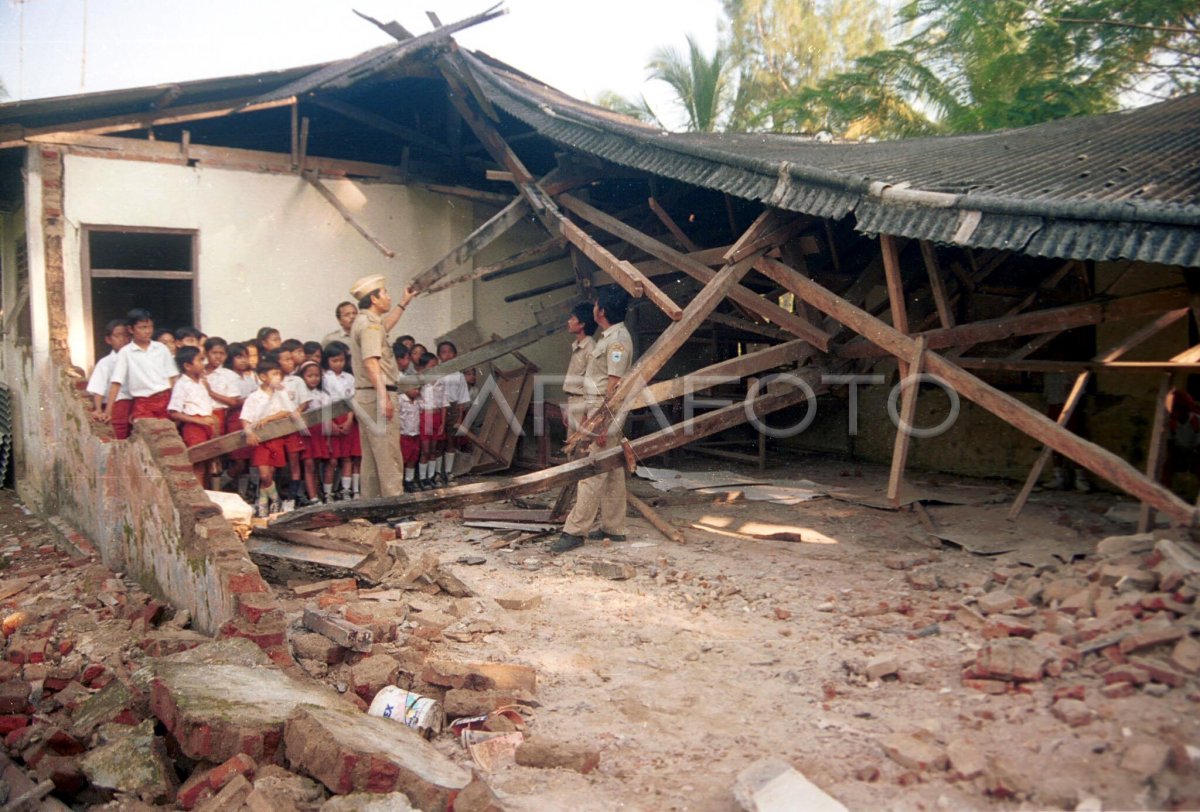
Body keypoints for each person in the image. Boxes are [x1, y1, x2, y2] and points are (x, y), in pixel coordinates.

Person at [552, 287, 634, 553]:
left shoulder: (618, 340)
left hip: (606, 412)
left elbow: (614, 386)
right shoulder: (608, 337)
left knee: (591, 469)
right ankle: (614, 527)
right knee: (611, 470)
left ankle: (575, 531)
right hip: (597, 409)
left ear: (602, 312)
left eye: (597, 305)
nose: (594, 308)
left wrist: (602, 422)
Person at [347, 274, 417, 498]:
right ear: (374, 299)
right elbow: (371, 362)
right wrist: (384, 398)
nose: (388, 296)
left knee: (373, 455)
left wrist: (403, 303)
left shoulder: (367, 322)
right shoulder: (370, 326)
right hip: (378, 394)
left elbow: (385, 326)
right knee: (388, 454)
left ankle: (373, 505)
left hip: (366, 396)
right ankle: (395, 507)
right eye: (385, 293)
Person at [240, 357, 300, 518]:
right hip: (260, 440)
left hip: (276, 438)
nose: (278, 377)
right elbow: (245, 418)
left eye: (279, 374)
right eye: (274, 374)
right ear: (263, 377)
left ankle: (263, 504)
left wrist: (268, 419)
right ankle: (275, 499)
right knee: (264, 474)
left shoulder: (281, 394)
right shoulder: (254, 397)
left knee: (271, 473)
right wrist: (249, 433)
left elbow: (286, 411)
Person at [106, 308, 178, 425]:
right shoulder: (126, 352)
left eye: (150, 327)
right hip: (143, 403)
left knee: (167, 435)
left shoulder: (161, 348)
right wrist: (108, 411)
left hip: (165, 398)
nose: (148, 331)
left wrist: (175, 403)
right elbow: (116, 382)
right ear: (131, 329)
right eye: (142, 328)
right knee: (147, 433)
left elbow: (172, 378)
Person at [167, 346, 220, 488]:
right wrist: (199, 420)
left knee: (210, 465)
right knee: (198, 464)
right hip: (194, 428)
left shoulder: (202, 382)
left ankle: (209, 496)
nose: (204, 363)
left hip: (208, 425)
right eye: (200, 360)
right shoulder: (182, 384)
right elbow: (174, 412)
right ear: (187, 366)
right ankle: (200, 498)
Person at [322, 341, 360, 500]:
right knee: (332, 460)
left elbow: (351, 401)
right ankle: (328, 493)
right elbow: (324, 402)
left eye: (341, 360)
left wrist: (350, 420)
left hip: (347, 418)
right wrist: (331, 423)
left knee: (347, 457)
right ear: (327, 361)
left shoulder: (349, 378)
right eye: (334, 360)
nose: (338, 364)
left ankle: (346, 490)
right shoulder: (324, 378)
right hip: (329, 418)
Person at [87, 318, 133, 439]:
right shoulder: (105, 362)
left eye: (126, 336)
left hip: (135, 402)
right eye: (117, 336)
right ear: (108, 339)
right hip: (117, 404)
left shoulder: (136, 358)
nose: (122, 339)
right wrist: (98, 409)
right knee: (119, 434)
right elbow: (98, 388)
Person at [438, 341, 473, 483]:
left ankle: (449, 471)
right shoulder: (438, 373)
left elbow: (461, 399)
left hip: (453, 409)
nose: (447, 354)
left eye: (450, 351)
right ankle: (437, 473)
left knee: (451, 440)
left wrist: (459, 418)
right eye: (444, 352)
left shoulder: (459, 376)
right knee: (438, 442)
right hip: (438, 410)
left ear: (455, 354)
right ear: (439, 356)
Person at [417, 352, 445, 490]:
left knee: (434, 449)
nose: (435, 369)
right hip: (425, 416)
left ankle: (431, 476)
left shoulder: (440, 381)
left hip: (437, 416)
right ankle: (422, 478)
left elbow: (444, 404)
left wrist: (443, 423)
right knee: (425, 450)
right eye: (432, 366)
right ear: (424, 367)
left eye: (436, 366)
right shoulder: (421, 382)